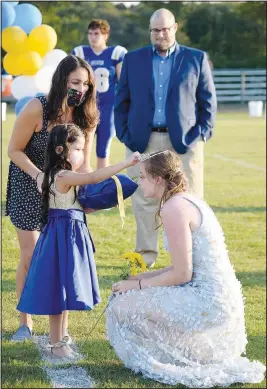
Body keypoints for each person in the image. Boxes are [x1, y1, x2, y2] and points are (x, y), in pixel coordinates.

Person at [106, 150, 266, 387]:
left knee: (120, 306)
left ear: (158, 179)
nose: (139, 182)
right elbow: (180, 267)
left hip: (207, 300)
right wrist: (143, 277)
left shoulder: (173, 208)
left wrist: (137, 285)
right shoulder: (185, 199)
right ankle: (197, 355)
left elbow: (182, 274)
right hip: (217, 295)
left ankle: (195, 358)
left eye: (142, 176)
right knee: (128, 296)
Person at [17, 123, 140, 359]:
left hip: (64, 235)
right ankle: (55, 343)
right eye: (79, 149)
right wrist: (127, 163)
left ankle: (61, 338)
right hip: (63, 237)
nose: (82, 155)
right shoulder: (63, 176)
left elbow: (75, 203)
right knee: (58, 291)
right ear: (62, 150)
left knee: (64, 289)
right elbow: (93, 176)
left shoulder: (47, 175)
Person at [6, 54, 99, 342]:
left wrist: (88, 193)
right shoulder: (38, 108)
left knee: (61, 258)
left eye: (85, 84)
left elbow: (84, 163)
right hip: (28, 183)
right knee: (32, 256)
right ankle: (26, 322)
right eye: (75, 82)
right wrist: (38, 176)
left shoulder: (87, 116)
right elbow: (14, 150)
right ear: (61, 81)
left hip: (64, 192)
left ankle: (60, 331)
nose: (80, 89)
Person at [114, 8, 217, 268]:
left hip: (183, 144)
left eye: (165, 29)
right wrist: (125, 135)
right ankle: (144, 258)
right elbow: (121, 102)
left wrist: (200, 135)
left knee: (188, 200)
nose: (160, 34)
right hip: (143, 142)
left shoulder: (196, 58)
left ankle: (191, 259)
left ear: (175, 28)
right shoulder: (133, 60)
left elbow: (208, 104)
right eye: (155, 30)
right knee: (144, 200)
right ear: (150, 30)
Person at [72, 19, 127, 169]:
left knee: (102, 151)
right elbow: (71, 81)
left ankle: (101, 188)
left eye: (96, 33)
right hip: (84, 107)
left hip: (107, 108)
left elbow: (123, 83)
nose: (92, 37)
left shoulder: (116, 53)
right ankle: (80, 186)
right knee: (78, 149)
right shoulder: (80, 53)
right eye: (90, 33)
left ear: (106, 35)